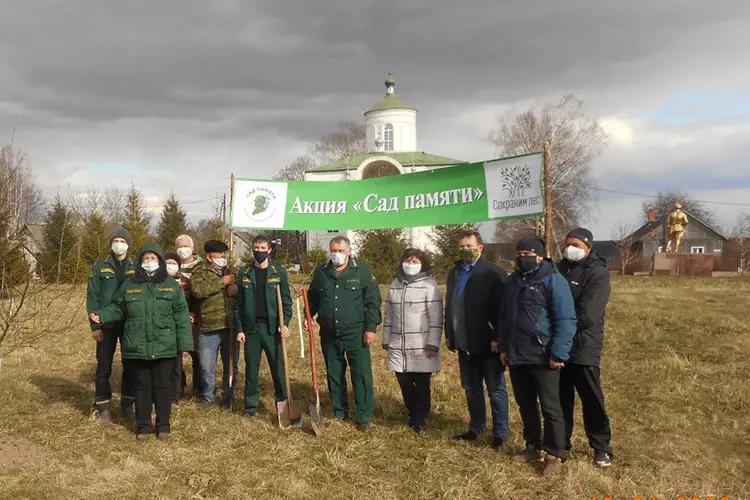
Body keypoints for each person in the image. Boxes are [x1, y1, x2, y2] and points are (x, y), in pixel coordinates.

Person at [90, 243, 192, 440]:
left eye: (153, 259)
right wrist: (102, 316)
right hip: (137, 345)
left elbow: (181, 315)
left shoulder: (171, 286)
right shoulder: (130, 284)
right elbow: (118, 307)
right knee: (142, 387)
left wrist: (184, 344)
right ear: (140, 262)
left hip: (164, 346)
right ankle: (143, 426)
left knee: (163, 387)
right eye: (146, 259)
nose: (149, 262)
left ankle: (163, 426)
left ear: (160, 262)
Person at [499, 236, 576, 475]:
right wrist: (504, 347)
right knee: (525, 404)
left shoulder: (553, 280)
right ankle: (533, 445)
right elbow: (505, 318)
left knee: (551, 407)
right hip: (517, 355)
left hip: (544, 357)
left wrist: (558, 353)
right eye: (520, 255)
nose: (523, 259)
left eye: (528, 255)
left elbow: (566, 319)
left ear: (540, 256)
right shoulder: (512, 282)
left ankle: (555, 453)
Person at [307, 235, 382, 431]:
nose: (337, 254)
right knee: (334, 372)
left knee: (361, 374)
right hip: (330, 333)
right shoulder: (322, 273)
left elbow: (373, 301)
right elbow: (312, 298)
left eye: (341, 251)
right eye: (333, 251)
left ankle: (364, 416)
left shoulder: (362, 271)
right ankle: (340, 411)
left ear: (348, 251)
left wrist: (371, 328)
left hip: (356, 333)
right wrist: (309, 316)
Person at [445, 230, 508, 450]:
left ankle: (500, 433)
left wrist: (497, 337)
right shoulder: (455, 272)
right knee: (471, 388)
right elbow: (450, 306)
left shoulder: (494, 273)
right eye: (462, 246)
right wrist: (450, 334)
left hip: (488, 343)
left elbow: (503, 310)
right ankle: (476, 427)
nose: (465, 250)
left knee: (495, 389)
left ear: (480, 247)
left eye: (469, 246)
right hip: (464, 341)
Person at [557, 227, 614, 467]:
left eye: (577, 245)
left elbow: (589, 314)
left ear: (588, 248)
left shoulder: (597, 274)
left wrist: (562, 330)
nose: (571, 249)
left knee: (591, 398)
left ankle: (601, 447)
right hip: (559, 346)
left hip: (583, 345)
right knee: (560, 398)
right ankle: (561, 443)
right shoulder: (559, 269)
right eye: (568, 244)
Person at [382, 248, 443, 432]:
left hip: (421, 345)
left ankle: (420, 417)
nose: (411, 264)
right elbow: (389, 315)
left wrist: (433, 343)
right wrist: (387, 340)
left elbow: (436, 318)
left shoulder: (430, 286)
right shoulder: (396, 285)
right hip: (399, 344)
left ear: (422, 264)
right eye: (408, 260)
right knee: (403, 379)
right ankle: (412, 410)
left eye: (415, 261)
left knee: (422, 382)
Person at [235, 234, 293, 417]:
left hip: (272, 329)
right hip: (251, 329)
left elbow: (286, 302)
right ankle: (250, 406)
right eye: (256, 248)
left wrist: (286, 324)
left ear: (269, 250)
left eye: (262, 248)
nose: (259, 252)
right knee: (252, 368)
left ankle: (283, 402)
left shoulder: (279, 272)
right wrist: (240, 329)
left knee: (278, 368)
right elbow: (239, 305)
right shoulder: (244, 273)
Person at [85, 226, 136, 424]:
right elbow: (92, 298)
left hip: (129, 324)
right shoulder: (99, 267)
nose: (119, 244)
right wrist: (95, 327)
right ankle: (103, 405)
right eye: (116, 241)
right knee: (104, 366)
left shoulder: (135, 266)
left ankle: (127, 404)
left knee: (130, 364)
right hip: (105, 324)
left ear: (128, 245)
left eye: (123, 241)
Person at [190, 239, 239, 408]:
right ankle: (208, 395)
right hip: (208, 327)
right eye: (219, 254)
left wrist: (236, 288)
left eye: (224, 254)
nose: (223, 257)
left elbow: (244, 288)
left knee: (230, 365)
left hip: (230, 326)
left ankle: (228, 396)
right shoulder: (199, 272)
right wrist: (223, 282)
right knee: (206, 366)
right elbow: (197, 291)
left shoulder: (232, 271)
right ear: (209, 257)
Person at [174, 234, 203, 398]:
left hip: (197, 317)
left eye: (185, 246)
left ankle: (199, 388)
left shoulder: (201, 266)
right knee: (176, 355)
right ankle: (178, 386)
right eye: (179, 246)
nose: (182, 249)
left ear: (192, 248)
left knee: (198, 353)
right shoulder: (171, 266)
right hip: (177, 317)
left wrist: (194, 313)